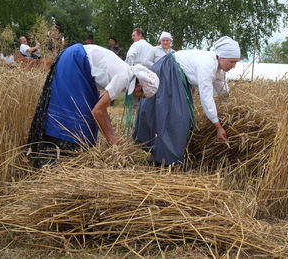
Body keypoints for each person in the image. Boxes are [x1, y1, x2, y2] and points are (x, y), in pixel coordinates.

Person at [27, 43, 159, 168]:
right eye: (141, 95)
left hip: (78, 61)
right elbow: (97, 112)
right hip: (76, 61)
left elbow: (101, 107)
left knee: (85, 116)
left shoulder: (125, 73)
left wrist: (112, 134)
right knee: (76, 117)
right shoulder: (124, 77)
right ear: (140, 86)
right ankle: (55, 158)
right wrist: (110, 139)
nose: (138, 98)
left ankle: (64, 156)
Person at [133, 36, 240, 166]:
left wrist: (231, 108)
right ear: (221, 56)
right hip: (169, 71)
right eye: (232, 61)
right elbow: (206, 97)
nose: (234, 66)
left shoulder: (220, 69)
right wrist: (217, 126)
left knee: (176, 117)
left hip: (178, 76)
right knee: (175, 117)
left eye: (236, 62)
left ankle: (160, 155)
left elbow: (223, 92)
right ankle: (166, 161)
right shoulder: (207, 64)